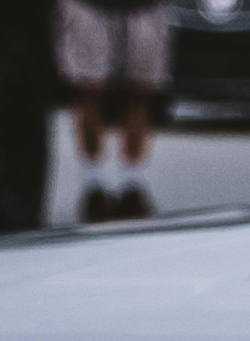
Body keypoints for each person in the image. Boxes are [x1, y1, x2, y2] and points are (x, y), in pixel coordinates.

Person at [57, 0, 168, 214]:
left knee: (139, 91)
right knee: (89, 88)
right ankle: (93, 183)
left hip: (145, 7)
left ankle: (131, 183)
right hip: (89, 6)